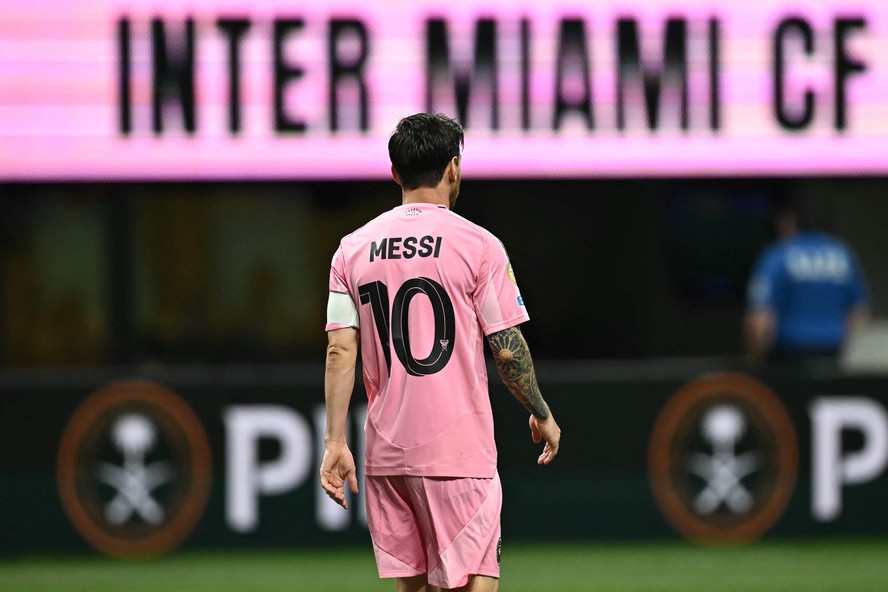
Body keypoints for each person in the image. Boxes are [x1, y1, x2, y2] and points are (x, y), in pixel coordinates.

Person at [320, 113, 561, 592]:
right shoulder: (480, 246)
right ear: (453, 167)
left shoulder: (351, 249)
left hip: (387, 456)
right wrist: (540, 411)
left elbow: (339, 350)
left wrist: (334, 441)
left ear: (396, 173)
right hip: (457, 456)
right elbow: (507, 351)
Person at [744, 198, 870, 364]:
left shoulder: (779, 255)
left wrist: (757, 358)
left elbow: (761, 314)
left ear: (790, 223)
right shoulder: (842, 254)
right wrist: (846, 350)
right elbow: (859, 311)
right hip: (831, 350)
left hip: (788, 353)